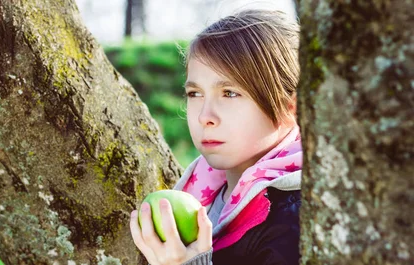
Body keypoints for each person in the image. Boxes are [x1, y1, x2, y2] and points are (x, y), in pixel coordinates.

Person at [129, 9, 302, 265]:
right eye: (195, 94)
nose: (204, 116)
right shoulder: (198, 193)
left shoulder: (297, 220)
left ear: (291, 107)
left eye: (230, 93)